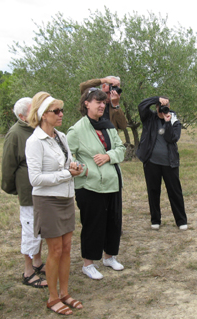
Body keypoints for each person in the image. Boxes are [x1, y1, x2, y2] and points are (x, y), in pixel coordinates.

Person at [25, 92, 83, 315]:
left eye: (61, 110)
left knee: (67, 248)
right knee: (55, 250)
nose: (61, 114)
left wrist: (74, 168)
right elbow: (35, 179)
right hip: (47, 201)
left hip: (66, 198)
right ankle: (52, 297)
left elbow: (67, 163)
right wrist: (65, 174)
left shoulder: (60, 136)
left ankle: (65, 293)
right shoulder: (34, 142)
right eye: (55, 111)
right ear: (42, 115)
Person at [67, 88, 126, 281]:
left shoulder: (108, 125)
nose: (102, 106)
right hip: (89, 186)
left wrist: (108, 156)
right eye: (97, 102)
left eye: (104, 102)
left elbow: (120, 149)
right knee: (93, 225)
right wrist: (84, 169)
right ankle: (88, 264)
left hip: (113, 183)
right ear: (86, 103)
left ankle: (109, 257)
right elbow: (69, 157)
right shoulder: (77, 130)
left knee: (113, 222)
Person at [1, 97, 47, 289]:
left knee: (41, 229)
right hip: (28, 191)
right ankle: (28, 272)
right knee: (30, 231)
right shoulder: (16, 134)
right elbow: (8, 166)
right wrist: (15, 189)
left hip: (43, 189)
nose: (37, 111)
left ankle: (37, 262)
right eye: (32, 109)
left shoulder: (37, 129)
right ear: (22, 115)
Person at [136, 96, 188, 230]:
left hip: (169, 162)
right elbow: (141, 105)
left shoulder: (174, 120)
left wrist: (167, 122)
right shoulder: (149, 118)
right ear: (156, 107)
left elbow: (172, 138)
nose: (162, 109)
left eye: (165, 107)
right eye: (160, 106)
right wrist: (156, 99)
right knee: (153, 191)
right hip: (151, 162)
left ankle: (181, 221)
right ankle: (155, 220)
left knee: (175, 191)